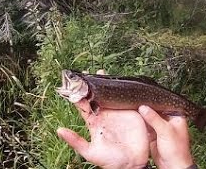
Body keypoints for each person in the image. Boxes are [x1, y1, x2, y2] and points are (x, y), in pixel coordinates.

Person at [56, 70, 197, 169]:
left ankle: (198, 114)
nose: (70, 80)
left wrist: (176, 165)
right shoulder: (93, 91)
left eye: (74, 78)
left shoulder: (94, 91)